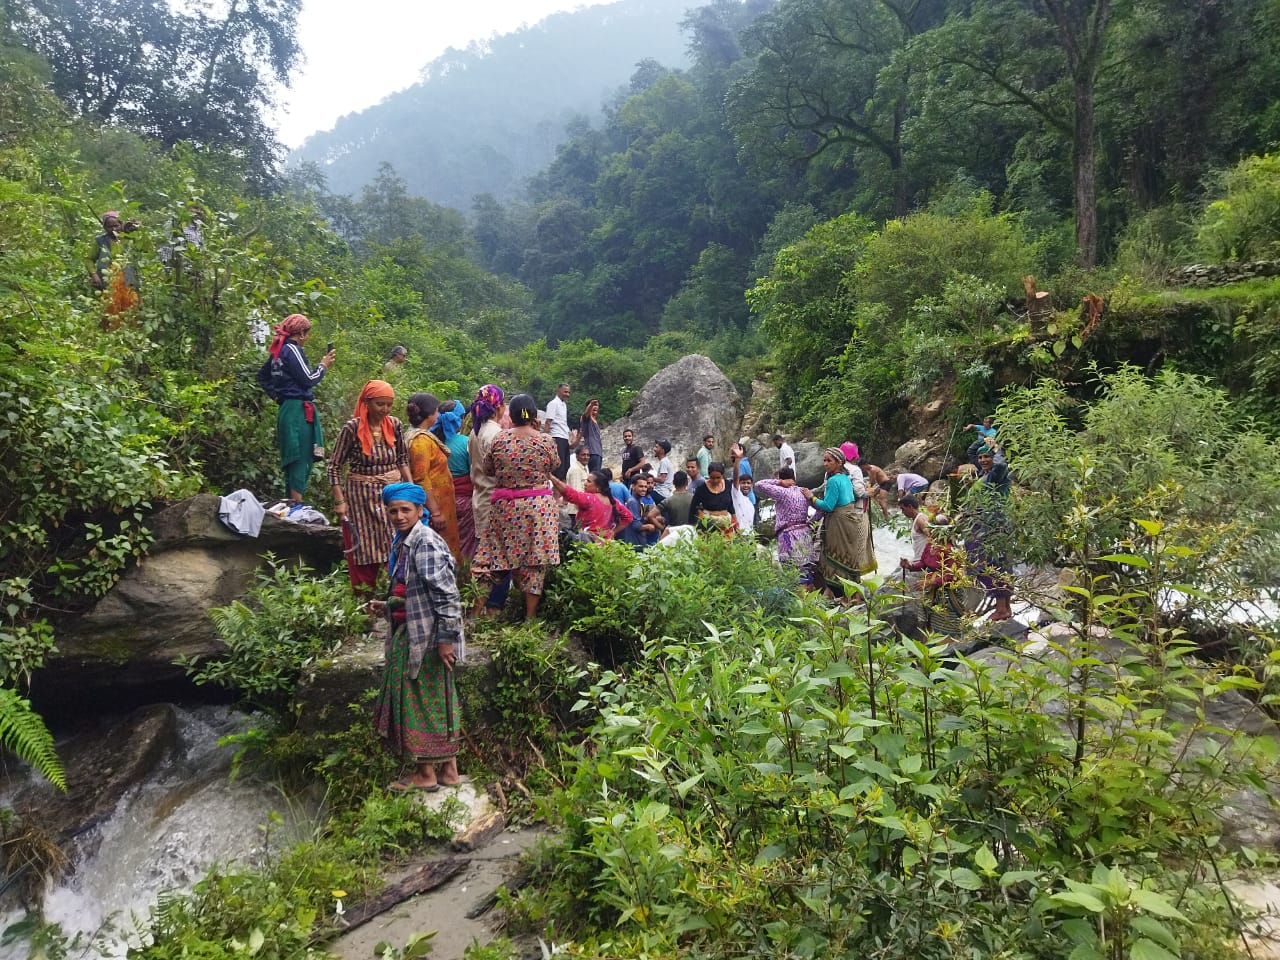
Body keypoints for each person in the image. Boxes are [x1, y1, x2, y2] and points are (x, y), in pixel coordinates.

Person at [370, 482, 465, 793]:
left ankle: (426, 775)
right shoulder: (404, 541)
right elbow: (415, 593)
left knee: (418, 701)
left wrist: (446, 639)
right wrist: (387, 605)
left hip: (426, 638)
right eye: (393, 510)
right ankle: (449, 771)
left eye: (405, 510)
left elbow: (447, 596)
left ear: (420, 511)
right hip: (419, 631)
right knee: (439, 699)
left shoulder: (423, 543)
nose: (398, 516)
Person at [472, 394, 561, 620]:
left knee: (493, 559)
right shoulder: (545, 440)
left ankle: (474, 615)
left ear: (510, 415)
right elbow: (554, 465)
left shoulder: (500, 440)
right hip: (538, 509)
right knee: (535, 563)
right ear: (533, 415)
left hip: (506, 508)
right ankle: (529, 620)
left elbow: (489, 469)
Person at [328, 380, 412, 596]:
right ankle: (365, 597)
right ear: (367, 403)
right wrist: (340, 501)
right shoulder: (352, 428)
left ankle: (396, 595)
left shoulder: (394, 425)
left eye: (388, 405)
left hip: (391, 494)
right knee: (364, 545)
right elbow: (335, 465)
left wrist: (410, 488)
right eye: (379, 404)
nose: (384, 410)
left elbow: (402, 458)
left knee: (395, 540)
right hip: (361, 497)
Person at [265, 313, 334, 502]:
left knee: (291, 455)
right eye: (307, 333)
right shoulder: (292, 349)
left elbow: (263, 376)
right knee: (300, 455)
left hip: (287, 409)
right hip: (298, 412)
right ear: (301, 333)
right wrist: (323, 366)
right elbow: (308, 379)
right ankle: (297, 504)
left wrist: (279, 396)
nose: (307, 338)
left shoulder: (277, 351)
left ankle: (291, 502)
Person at [803, 446, 877, 596]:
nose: (825, 463)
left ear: (839, 462)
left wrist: (811, 497)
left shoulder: (834, 481)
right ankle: (851, 593)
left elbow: (828, 506)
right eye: (824, 460)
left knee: (833, 558)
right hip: (851, 521)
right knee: (849, 558)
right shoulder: (845, 478)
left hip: (838, 522)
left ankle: (839, 593)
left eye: (829, 460)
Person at [405, 393, 462, 561]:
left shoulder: (417, 435)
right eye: (436, 411)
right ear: (430, 414)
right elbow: (421, 478)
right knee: (439, 552)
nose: (438, 415)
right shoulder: (420, 441)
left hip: (439, 504)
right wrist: (435, 512)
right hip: (434, 506)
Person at [964, 443, 1013, 620]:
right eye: (981, 458)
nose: (983, 460)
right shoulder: (984, 473)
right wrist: (984, 441)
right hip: (983, 523)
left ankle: (1001, 608)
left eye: (987, 457)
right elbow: (971, 451)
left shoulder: (997, 474)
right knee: (992, 562)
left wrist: (997, 449)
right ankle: (1005, 607)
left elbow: (1000, 464)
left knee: (991, 563)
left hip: (995, 525)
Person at [755, 467, 813, 579]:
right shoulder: (804, 491)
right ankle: (809, 594)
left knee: (790, 572)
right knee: (805, 570)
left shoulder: (781, 491)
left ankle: (797, 595)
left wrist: (778, 482)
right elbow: (820, 509)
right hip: (805, 534)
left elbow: (759, 484)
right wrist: (811, 521)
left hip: (788, 536)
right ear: (794, 479)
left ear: (782, 479)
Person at [469, 384, 507, 554]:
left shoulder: (475, 432)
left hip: (480, 499)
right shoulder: (495, 433)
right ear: (499, 407)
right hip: (495, 504)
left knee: (485, 556)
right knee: (497, 558)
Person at [435, 400, 475, 560]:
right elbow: (474, 473)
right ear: (460, 420)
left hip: (437, 502)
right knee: (465, 543)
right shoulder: (466, 442)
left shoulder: (432, 441)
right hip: (464, 502)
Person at [550, 469, 633, 540]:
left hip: (589, 543)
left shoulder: (590, 499)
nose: (585, 483)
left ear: (598, 487)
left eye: (589, 481)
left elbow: (570, 494)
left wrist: (552, 478)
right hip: (606, 543)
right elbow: (628, 517)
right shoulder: (613, 501)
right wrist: (612, 532)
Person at [92, 211, 141, 318]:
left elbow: (146, 249)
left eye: (116, 225)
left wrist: (138, 230)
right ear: (105, 228)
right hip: (108, 280)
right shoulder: (100, 241)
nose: (114, 229)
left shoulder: (129, 238)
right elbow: (88, 259)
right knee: (109, 306)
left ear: (121, 225)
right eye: (110, 227)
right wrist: (94, 275)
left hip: (128, 278)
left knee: (130, 304)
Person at [691, 460, 735, 533]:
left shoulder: (728, 485)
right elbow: (694, 506)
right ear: (708, 475)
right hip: (708, 525)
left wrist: (735, 522)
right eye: (712, 478)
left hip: (726, 525)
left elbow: (730, 505)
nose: (715, 480)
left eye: (718, 478)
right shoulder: (702, 488)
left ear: (722, 475)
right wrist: (702, 519)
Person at [545, 383, 576, 480]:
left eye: (569, 392)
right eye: (565, 392)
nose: (567, 394)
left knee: (566, 467)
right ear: (558, 391)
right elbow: (548, 422)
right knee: (558, 468)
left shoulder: (564, 405)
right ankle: (556, 492)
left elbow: (563, 422)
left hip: (564, 437)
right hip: (557, 437)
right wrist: (545, 439)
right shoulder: (553, 404)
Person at [622, 474, 660, 549]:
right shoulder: (632, 502)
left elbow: (640, 519)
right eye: (641, 486)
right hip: (634, 543)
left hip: (640, 541)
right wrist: (649, 526)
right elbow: (636, 525)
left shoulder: (640, 501)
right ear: (633, 486)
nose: (644, 489)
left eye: (645, 487)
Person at [898, 494, 932, 565]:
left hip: (922, 561)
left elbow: (932, 537)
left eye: (903, 509)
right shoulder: (917, 518)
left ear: (910, 507)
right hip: (919, 559)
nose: (902, 512)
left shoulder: (920, 520)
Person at [729, 444, 755, 533]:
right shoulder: (737, 494)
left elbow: (737, 477)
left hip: (749, 499)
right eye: (743, 483)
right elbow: (736, 479)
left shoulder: (742, 464)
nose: (746, 485)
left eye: (748, 483)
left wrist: (737, 459)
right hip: (740, 535)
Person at [578, 398, 603, 471]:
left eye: (597, 405)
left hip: (598, 452)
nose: (595, 407)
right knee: (594, 475)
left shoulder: (595, 421)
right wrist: (591, 404)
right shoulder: (586, 419)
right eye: (593, 405)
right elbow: (586, 414)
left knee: (597, 475)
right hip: (591, 452)